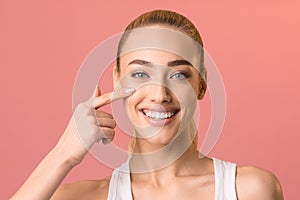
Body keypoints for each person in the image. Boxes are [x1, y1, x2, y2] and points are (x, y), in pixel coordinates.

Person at [11, 10, 283, 200]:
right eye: (140, 74)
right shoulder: (84, 197)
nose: (159, 94)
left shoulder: (250, 189)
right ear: (117, 80)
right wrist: (63, 155)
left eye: (179, 74)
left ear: (201, 84)